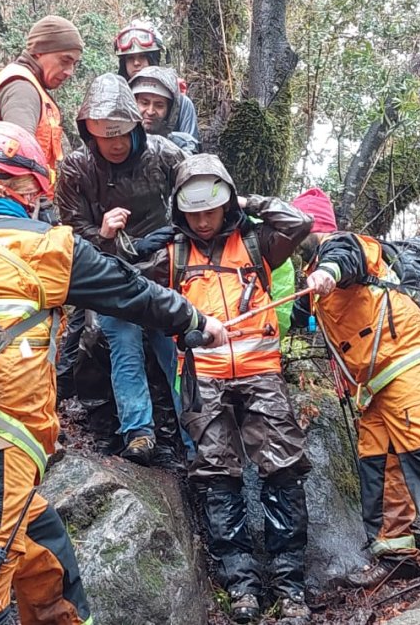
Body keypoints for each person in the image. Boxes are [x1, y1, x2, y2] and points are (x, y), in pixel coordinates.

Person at [0, 122, 227, 625]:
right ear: (26, 188)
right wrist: (197, 321)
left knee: (45, 562)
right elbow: (129, 290)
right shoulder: (39, 246)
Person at [135, 153, 313, 623]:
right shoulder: (171, 254)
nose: (203, 220)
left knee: (282, 469)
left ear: (226, 204)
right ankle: (242, 586)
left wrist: (249, 199)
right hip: (203, 378)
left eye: (210, 209)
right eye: (193, 212)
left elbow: (299, 221)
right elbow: (128, 283)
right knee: (217, 475)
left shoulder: (257, 241)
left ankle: (291, 586)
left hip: (261, 373)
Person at [301, 199, 420, 592]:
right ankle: (395, 554)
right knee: (377, 464)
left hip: (410, 362)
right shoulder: (311, 277)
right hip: (376, 384)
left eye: (302, 226)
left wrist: (329, 271)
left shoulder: (344, 245)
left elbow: (345, 257)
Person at [55, 73, 186, 466]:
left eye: (120, 133)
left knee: (173, 348)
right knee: (122, 344)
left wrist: (164, 238)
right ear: (88, 133)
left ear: (135, 128)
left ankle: (193, 431)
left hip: (163, 266)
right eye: (102, 135)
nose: (112, 143)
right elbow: (71, 235)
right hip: (110, 272)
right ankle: (138, 432)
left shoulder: (165, 154)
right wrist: (105, 233)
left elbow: (195, 205)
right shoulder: (76, 169)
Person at [0, 14, 84, 209]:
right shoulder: (22, 89)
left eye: (74, 64)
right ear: (39, 52)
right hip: (9, 207)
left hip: (13, 205)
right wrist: (38, 214)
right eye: (65, 60)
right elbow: (18, 162)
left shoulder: (31, 86)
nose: (69, 71)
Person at [114, 20, 199, 141]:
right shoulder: (117, 101)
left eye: (143, 56)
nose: (136, 63)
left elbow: (191, 148)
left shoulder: (182, 103)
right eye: (130, 58)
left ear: (154, 58)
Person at [128, 65, 199, 152]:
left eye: (159, 105)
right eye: (145, 103)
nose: (150, 112)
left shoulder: (183, 143)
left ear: (170, 110)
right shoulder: (122, 140)